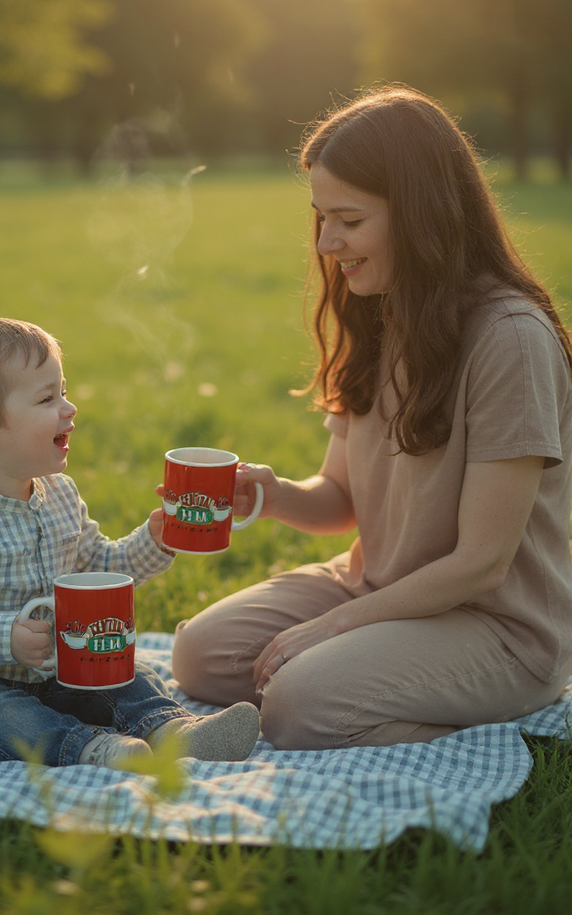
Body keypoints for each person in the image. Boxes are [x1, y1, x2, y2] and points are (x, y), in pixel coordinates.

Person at [172, 86, 572, 750]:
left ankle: (490, 731)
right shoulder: (377, 312)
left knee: (296, 704)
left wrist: (330, 631)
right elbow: (341, 502)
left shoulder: (511, 338)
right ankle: (362, 675)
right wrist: (269, 495)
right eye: (320, 218)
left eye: (349, 221)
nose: (328, 243)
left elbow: (481, 564)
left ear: (420, 215)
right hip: (380, 588)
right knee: (201, 656)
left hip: (495, 626)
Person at [0, 317, 259, 769]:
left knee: (125, 671)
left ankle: (172, 730)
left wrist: (155, 540)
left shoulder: (59, 492)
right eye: (47, 398)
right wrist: (6, 638)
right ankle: (89, 748)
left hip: (47, 669)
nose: (69, 407)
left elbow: (99, 564)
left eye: (63, 390)